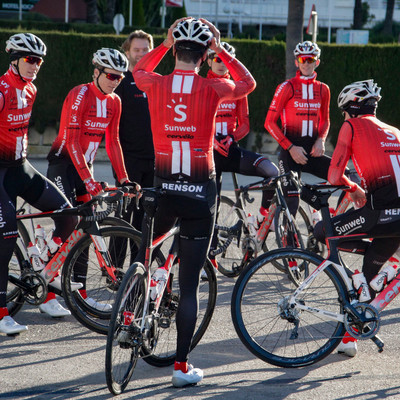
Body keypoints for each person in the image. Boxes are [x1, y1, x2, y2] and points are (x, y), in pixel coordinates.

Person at [133, 17, 256, 387]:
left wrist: (163, 44)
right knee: (189, 286)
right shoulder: (215, 87)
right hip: (201, 191)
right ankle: (181, 367)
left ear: (176, 51)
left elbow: (138, 68)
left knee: (147, 251)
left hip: (163, 186)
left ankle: (143, 293)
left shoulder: (154, 82)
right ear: (204, 57)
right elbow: (248, 84)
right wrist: (221, 49)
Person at [47, 48, 138, 311]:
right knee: (68, 222)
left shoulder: (115, 102)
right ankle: (50, 295)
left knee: (88, 226)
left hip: (83, 168)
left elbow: (113, 142)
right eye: (110, 75)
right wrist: (88, 180)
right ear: (96, 72)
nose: (115, 81)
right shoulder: (80, 94)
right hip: (63, 163)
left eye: (120, 77)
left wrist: (124, 179)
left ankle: (80, 291)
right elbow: (72, 141)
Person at [314, 79, 400, 357]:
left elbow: (333, 176)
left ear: (350, 110)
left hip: (378, 214)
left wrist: (354, 189)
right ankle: (350, 338)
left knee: (321, 232)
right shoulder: (395, 132)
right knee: (369, 275)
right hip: (396, 221)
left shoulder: (352, 126)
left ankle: (359, 277)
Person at [0, 33, 78, 334]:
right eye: (30, 60)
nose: (36, 65)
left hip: (21, 167)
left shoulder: (30, 89)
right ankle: (2, 311)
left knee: (68, 215)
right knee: (6, 238)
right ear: (15, 59)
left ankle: (45, 270)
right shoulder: (3, 89)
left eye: (39, 61)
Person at [207, 42, 278, 256]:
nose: (222, 63)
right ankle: (209, 257)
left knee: (272, 172)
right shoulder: (201, 84)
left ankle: (261, 217)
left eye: (226, 60)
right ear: (209, 61)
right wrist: (211, 141)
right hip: (208, 153)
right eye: (218, 59)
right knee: (211, 207)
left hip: (231, 150)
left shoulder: (238, 87)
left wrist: (232, 137)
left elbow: (245, 124)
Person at [264, 41, 332, 218]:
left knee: (349, 179)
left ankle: (329, 229)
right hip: (290, 154)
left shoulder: (323, 89)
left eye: (311, 59)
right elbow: (269, 123)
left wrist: (321, 139)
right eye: (303, 59)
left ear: (317, 62)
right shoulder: (287, 87)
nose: (306, 63)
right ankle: (286, 240)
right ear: (297, 62)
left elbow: (325, 120)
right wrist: (290, 147)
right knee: (292, 201)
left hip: (312, 152)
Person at [114, 30, 155, 231]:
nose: (141, 53)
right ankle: (117, 264)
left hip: (154, 161)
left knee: (145, 221)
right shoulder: (120, 81)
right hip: (128, 161)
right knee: (124, 219)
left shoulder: (155, 80)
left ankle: (138, 263)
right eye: (136, 49)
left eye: (145, 50)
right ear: (127, 52)